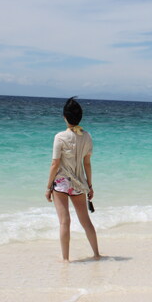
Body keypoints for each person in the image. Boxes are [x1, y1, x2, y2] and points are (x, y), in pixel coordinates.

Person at [45, 97, 100, 262]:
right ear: (80, 117)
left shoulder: (60, 137)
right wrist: (89, 186)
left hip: (61, 184)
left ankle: (66, 259)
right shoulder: (87, 136)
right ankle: (96, 253)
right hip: (79, 184)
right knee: (86, 221)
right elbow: (87, 163)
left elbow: (55, 164)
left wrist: (48, 188)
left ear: (65, 117)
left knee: (64, 222)